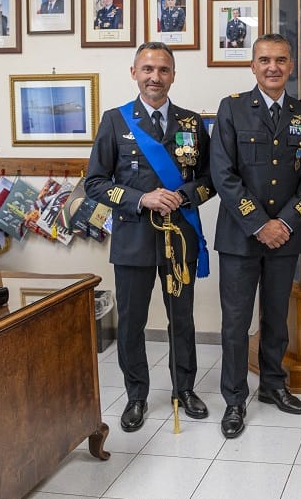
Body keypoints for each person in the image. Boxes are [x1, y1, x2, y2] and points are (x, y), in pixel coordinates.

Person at [85, 41, 215, 433]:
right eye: (147, 69)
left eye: (163, 70)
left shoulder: (192, 124)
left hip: (181, 241)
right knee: (132, 325)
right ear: (134, 73)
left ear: (173, 75)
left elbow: (210, 180)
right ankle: (137, 396)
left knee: (182, 321)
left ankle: (185, 389)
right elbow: (94, 183)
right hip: (133, 241)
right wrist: (142, 198)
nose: (155, 77)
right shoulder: (115, 121)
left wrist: (184, 196)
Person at [210, 33, 301, 439]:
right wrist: (260, 223)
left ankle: (273, 385)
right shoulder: (233, 109)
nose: (272, 67)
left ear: (292, 66)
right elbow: (223, 174)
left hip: (286, 237)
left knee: (276, 319)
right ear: (253, 66)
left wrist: (287, 222)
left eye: (280, 60)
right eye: (264, 60)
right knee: (236, 323)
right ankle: (234, 400)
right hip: (242, 237)